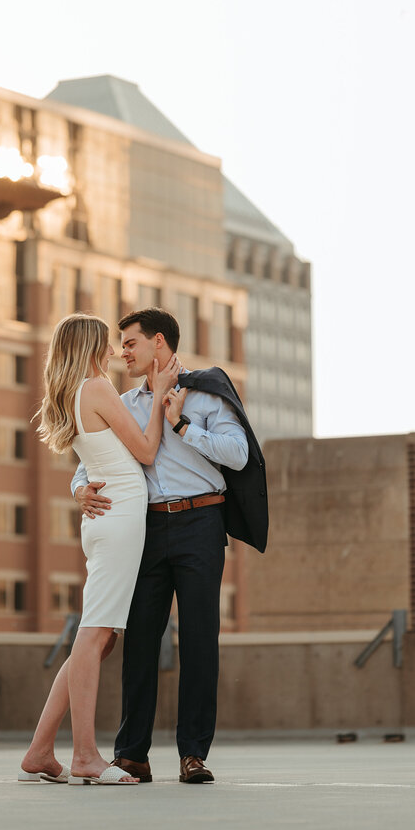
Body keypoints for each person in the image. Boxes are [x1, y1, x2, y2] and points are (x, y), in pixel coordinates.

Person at [72, 308, 251, 784]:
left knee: (198, 640)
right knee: (140, 643)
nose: (122, 352)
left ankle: (193, 753)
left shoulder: (207, 393)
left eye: (130, 343)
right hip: (145, 529)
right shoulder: (124, 401)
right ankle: (131, 754)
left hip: (200, 523)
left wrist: (184, 426)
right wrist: (79, 490)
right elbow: (88, 462)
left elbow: (239, 454)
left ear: (159, 343)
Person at [18, 312, 180, 786]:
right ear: (90, 346)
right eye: (107, 344)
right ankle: (86, 755)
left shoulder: (73, 393)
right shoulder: (97, 389)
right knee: (94, 635)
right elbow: (147, 451)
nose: (113, 352)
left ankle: (40, 751)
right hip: (120, 515)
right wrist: (159, 398)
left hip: (105, 518)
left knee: (100, 638)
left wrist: (77, 491)